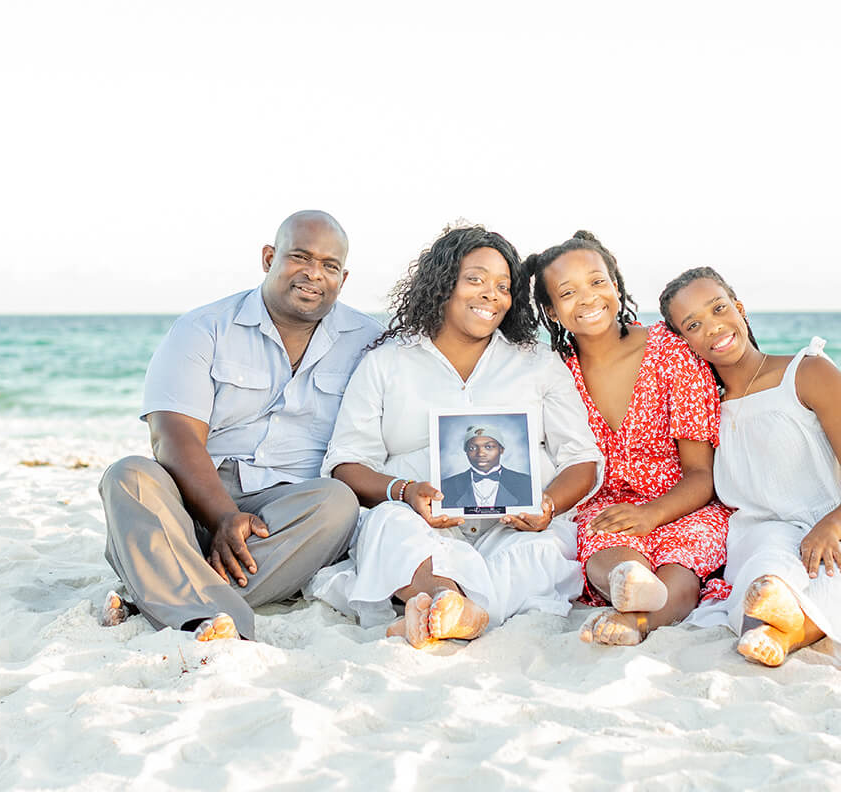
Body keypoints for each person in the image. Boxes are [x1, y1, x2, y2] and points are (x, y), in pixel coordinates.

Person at [306, 224, 604, 648]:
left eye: (504, 286)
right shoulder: (387, 363)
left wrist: (549, 505)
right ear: (444, 283)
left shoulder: (537, 362)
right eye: (476, 279)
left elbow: (581, 457)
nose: (491, 294)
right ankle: (450, 601)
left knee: (539, 554)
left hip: (517, 528)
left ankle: (438, 609)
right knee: (390, 526)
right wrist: (404, 491)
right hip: (419, 524)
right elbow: (346, 461)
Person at [96, 210, 381, 641]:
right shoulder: (202, 327)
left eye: (329, 265)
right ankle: (197, 607)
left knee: (338, 503)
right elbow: (172, 435)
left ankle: (161, 594)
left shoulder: (369, 341)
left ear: (344, 277)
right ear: (269, 258)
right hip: (193, 497)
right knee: (128, 476)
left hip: (286, 516)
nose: (313, 274)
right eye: (299, 257)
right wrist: (224, 515)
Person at [660, 267, 841, 666]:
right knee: (764, 573)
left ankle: (792, 632)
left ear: (739, 307)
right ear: (683, 341)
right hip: (772, 534)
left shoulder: (806, 373)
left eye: (718, 308)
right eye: (694, 324)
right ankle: (774, 616)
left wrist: (831, 527)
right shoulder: (704, 408)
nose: (714, 327)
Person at [525, 231, 733, 647]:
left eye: (598, 282)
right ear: (550, 309)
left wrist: (653, 514)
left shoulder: (671, 353)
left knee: (682, 567)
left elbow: (700, 474)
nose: (588, 298)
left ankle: (639, 622)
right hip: (607, 507)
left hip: (681, 501)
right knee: (604, 547)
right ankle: (629, 583)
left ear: (616, 287)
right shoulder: (555, 373)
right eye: (568, 292)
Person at [438, 423, 535, 511]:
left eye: (488, 447)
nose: (480, 453)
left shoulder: (527, 483)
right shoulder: (445, 487)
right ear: (466, 452)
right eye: (473, 448)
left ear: (501, 450)